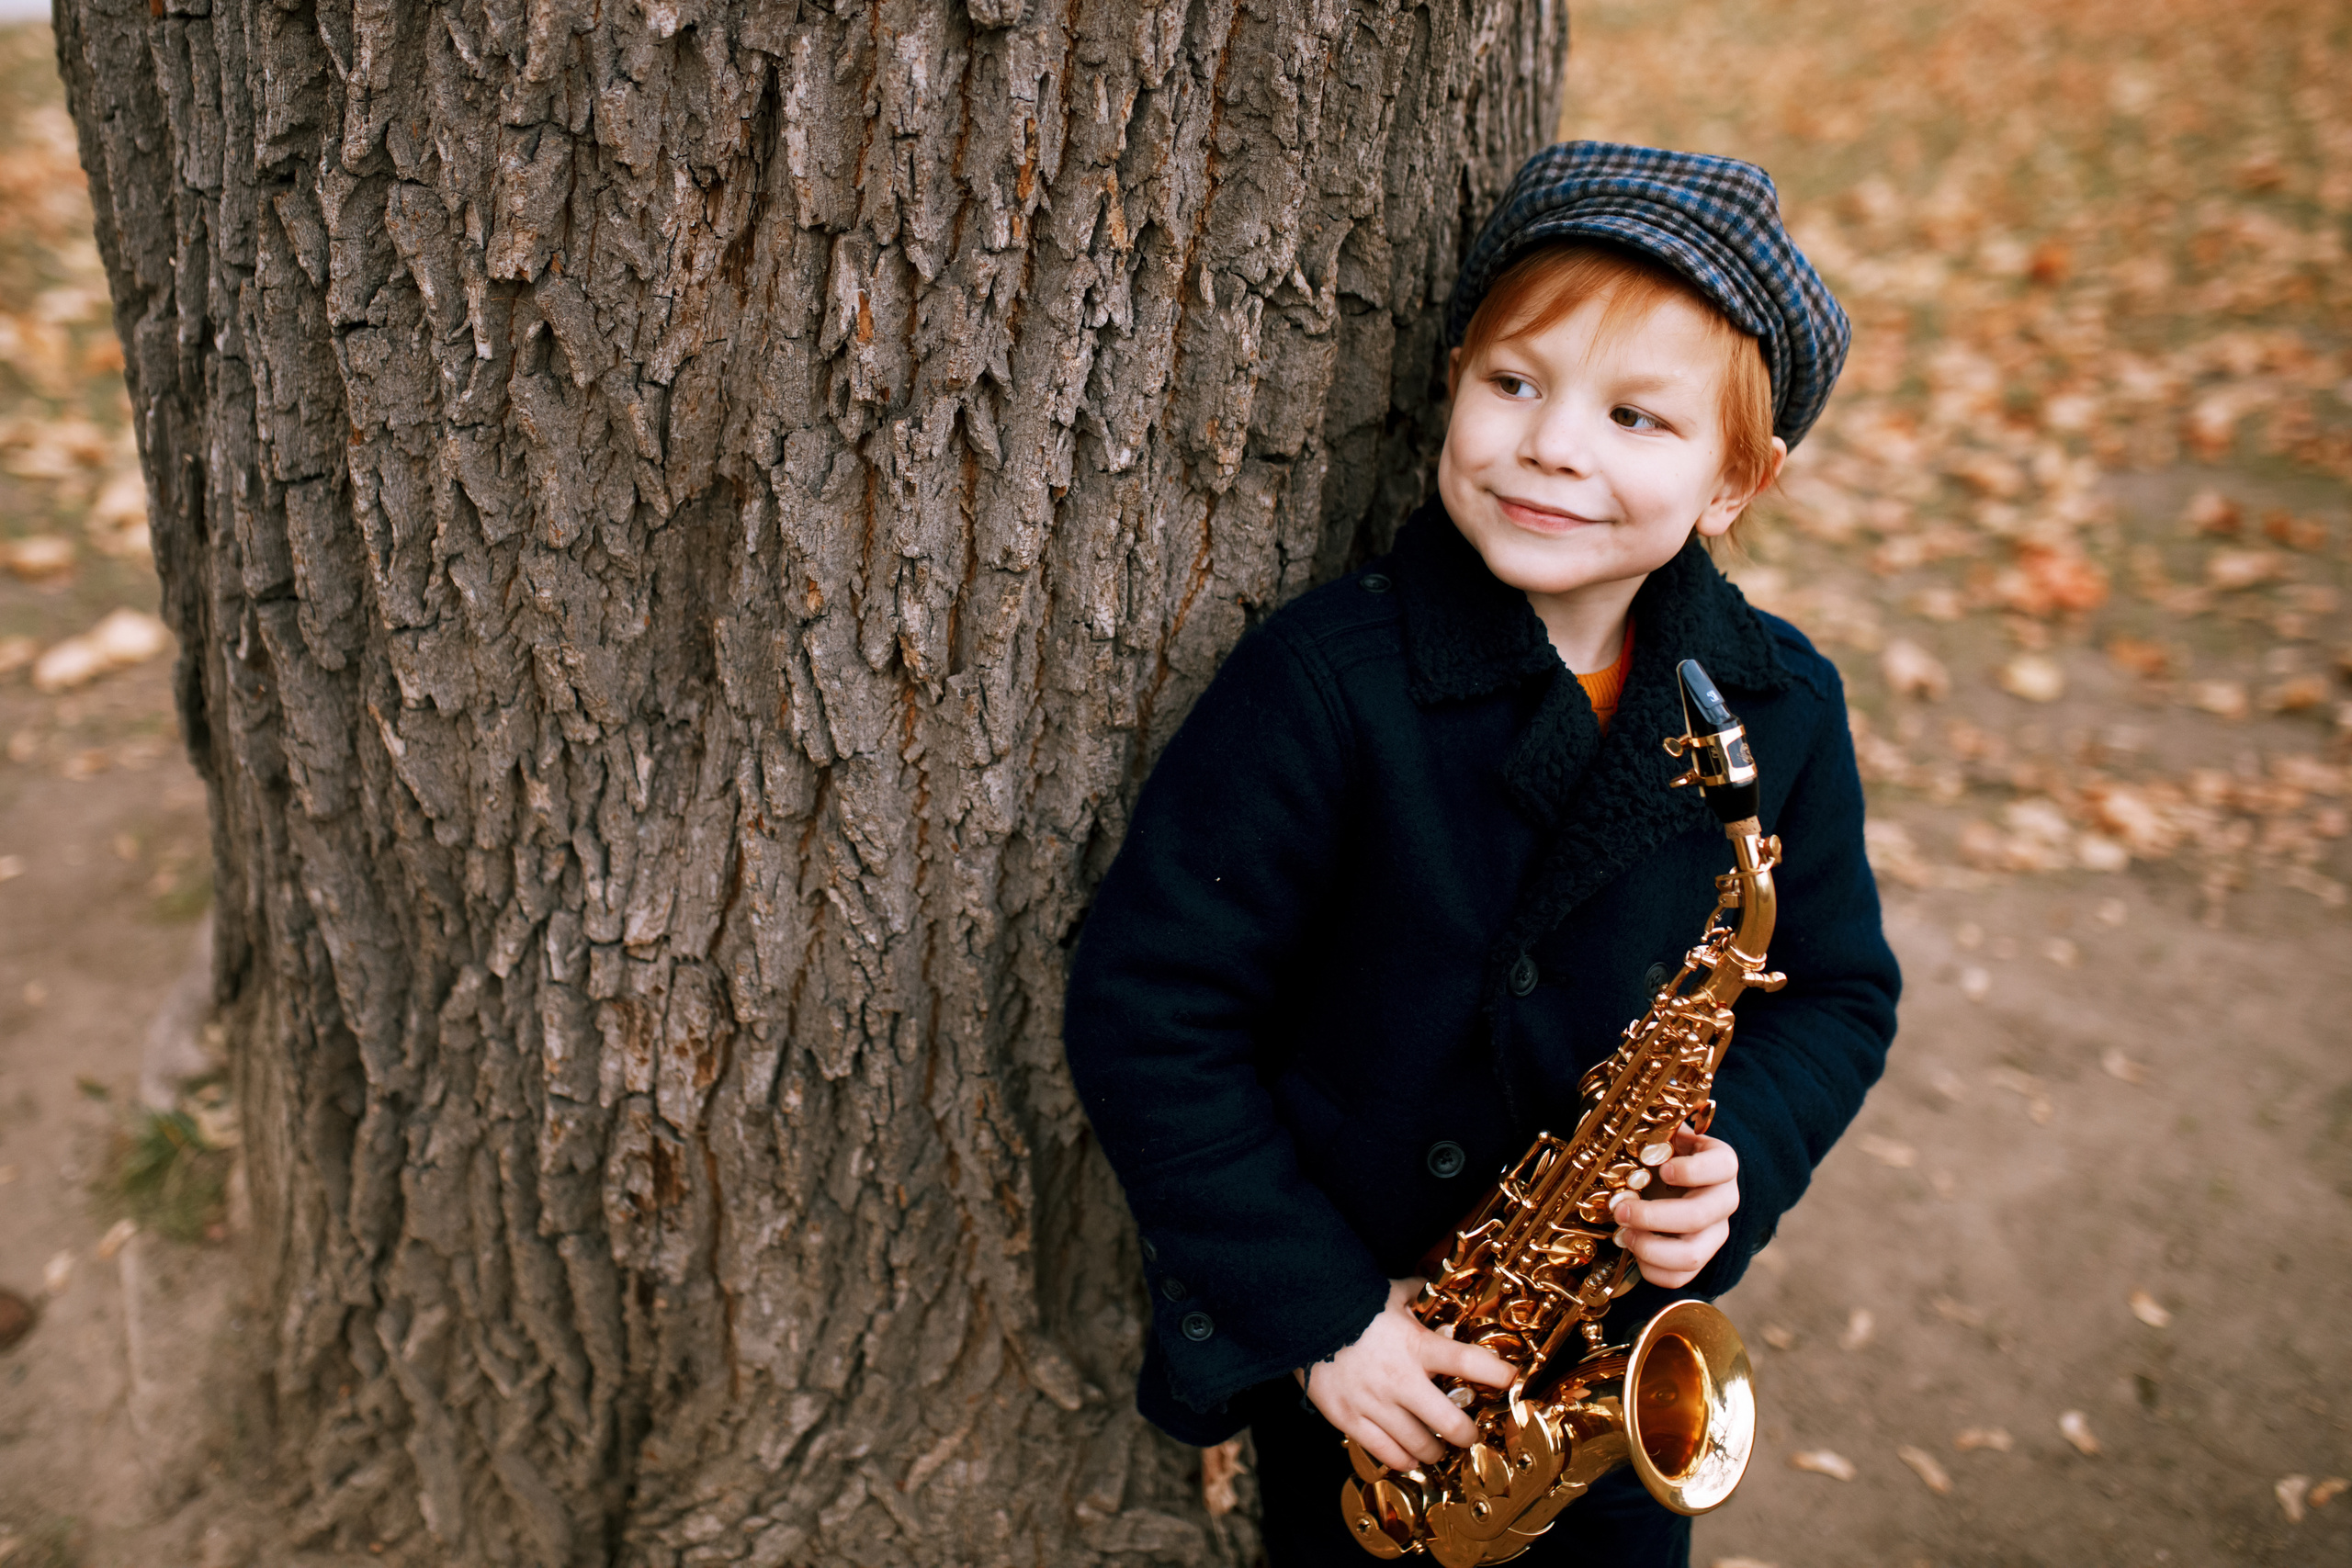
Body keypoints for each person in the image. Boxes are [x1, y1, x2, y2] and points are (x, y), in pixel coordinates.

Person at [1062, 141, 1901, 1566]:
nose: (1555, 446)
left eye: (1637, 416)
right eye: (1515, 384)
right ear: (1453, 380)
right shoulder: (1325, 684)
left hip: (1603, 1350)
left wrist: (1740, 1155)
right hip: (1366, 1357)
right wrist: (1320, 1315)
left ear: (1733, 484)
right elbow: (1149, 1012)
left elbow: (1834, 993)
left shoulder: (1780, 702)